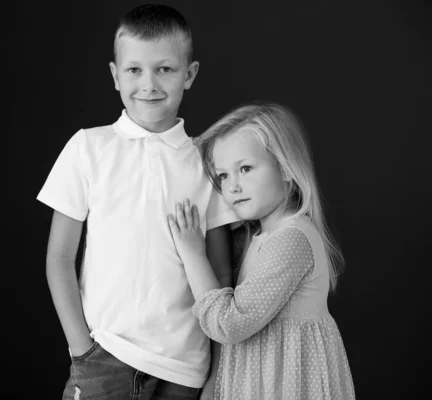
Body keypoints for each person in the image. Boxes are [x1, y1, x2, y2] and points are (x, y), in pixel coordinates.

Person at [37, 4, 239, 399]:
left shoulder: (207, 161)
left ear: (189, 74)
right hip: (105, 356)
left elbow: (221, 274)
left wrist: (216, 372)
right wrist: (82, 349)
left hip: (185, 368)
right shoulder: (88, 148)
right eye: (134, 70)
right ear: (115, 76)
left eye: (164, 69)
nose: (148, 84)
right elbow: (59, 258)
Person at [167, 103, 356, 399]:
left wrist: (193, 255)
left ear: (286, 169)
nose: (233, 186)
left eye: (245, 169)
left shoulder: (290, 238)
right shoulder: (263, 235)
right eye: (223, 176)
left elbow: (229, 324)